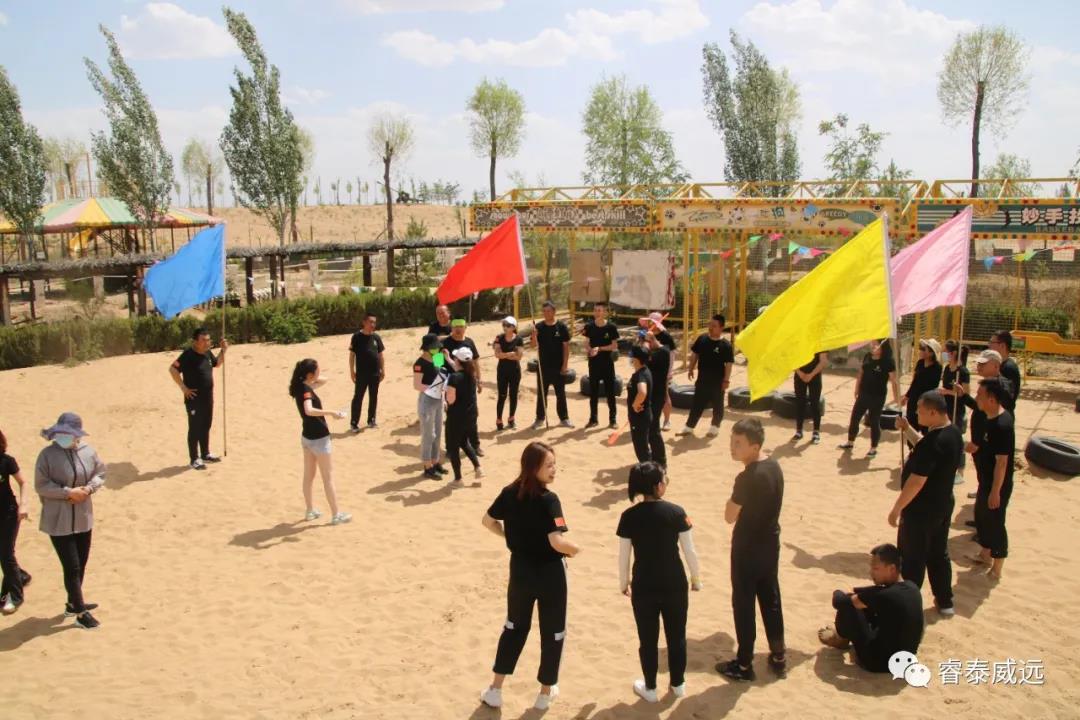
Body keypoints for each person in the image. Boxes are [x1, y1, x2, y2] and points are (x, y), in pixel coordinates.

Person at [480, 442, 581, 711]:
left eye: (554, 464)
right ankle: (545, 693)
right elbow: (557, 541)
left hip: (521, 571)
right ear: (533, 467)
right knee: (553, 631)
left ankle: (495, 689)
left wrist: (508, 537)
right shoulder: (550, 500)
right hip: (550, 574)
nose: (554, 469)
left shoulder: (509, 492)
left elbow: (487, 521)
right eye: (549, 465)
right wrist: (575, 550)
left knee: (514, 627)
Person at [617, 462, 701, 703]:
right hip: (674, 582)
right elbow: (690, 551)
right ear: (658, 486)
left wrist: (623, 582)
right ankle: (678, 684)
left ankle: (651, 687)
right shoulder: (676, 512)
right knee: (677, 636)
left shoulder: (629, 516)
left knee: (648, 639)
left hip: (644, 584)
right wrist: (696, 578)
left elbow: (624, 556)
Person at [718, 418, 786, 681]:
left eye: (738, 443)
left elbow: (729, 516)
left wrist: (731, 503)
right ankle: (778, 655)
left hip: (747, 547)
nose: (732, 447)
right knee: (771, 599)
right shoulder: (775, 467)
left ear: (754, 447)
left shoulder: (746, 477)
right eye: (732, 441)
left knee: (744, 603)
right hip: (770, 543)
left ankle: (744, 664)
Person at [890, 391, 963, 616]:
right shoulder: (952, 433)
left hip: (921, 510)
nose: (916, 414)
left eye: (920, 411)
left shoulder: (935, 442)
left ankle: (908, 606)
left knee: (913, 558)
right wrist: (908, 429)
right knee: (938, 554)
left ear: (933, 413)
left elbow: (917, 481)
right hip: (942, 504)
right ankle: (945, 601)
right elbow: (924, 445)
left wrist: (897, 508)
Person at [34, 413, 105, 630]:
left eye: (68, 433)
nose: (63, 436)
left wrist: (88, 489)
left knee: (81, 563)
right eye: (61, 432)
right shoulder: (46, 455)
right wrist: (68, 493)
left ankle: (73, 602)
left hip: (83, 518)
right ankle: (81, 613)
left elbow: (100, 473)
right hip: (59, 520)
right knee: (72, 566)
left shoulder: (88, 452)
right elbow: (41, 485)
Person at [817, 544, 924, 673]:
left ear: (891, 568)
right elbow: (871, 594)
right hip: (905, 660)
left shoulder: (885, 595)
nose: (871, 573)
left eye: (876, 569)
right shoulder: (912, 587)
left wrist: (838, 591)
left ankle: (839, 639)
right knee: (865, 604)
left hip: (878, 663)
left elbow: (838, 601)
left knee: (850, 607)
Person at [288, 359, 352, 525]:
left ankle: (310, 510)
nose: (320, 372)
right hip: (319, 439)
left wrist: (312, 376)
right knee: (327, 478)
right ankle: (336, 514)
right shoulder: (306, 390)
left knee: (308, 476)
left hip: (307, 437)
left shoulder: (300, 386)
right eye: (317, 370)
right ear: (310, 374)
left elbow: (324, 380)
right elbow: (309, 410)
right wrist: (331, 412)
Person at [970, 377, 1015, 580]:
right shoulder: (986, 417)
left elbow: (1002, 462)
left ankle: (997, 566)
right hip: (985, 480)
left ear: (991, 399)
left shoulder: (1002, 424)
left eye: (979, 395)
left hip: (998, 483)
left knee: (995, 522)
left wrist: (996, 491)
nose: (976, 398)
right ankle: (985, 554)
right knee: (981, 516)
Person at [169, 327, 228, 470]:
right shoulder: (188, 355)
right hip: (194, 398)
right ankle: (194, 459)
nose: (207, 343)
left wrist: (223, 350)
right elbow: (172, 369)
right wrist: (183, 388)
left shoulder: (207, 353)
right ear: (195, 342)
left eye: (208, 340)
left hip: (208, 397)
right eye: (204, 340)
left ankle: (205, 453)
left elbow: (217, 364)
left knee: (206, 425)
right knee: (195, 428)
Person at [840, 339, 901, 457]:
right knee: (855, 418)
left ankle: (873, 448)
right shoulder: (867, 356)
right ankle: (850, 442)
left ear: (883, 346)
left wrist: (897, 398)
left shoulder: (888, 361)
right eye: (872, 344)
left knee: (874, 421)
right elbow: (861, 373)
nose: (872, 346)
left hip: (878, 396)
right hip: (864, 394)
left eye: (876, 344)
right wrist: (857, 389)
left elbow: (894, 381)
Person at [678, 314, 733, 438]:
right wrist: (691, 368)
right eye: (710, 324)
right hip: (702, 379)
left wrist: (726, 380)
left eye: (714, 326)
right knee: (697, 403)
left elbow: (729, 364)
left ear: (721, 327)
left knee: (718, 405)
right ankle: (689, 427)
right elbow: (695, 354)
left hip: (717, 381)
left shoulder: (726, 345)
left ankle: (714, 427)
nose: (710, 327)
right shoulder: (702, 339)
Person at [1, 429, 31, 615]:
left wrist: (24, 505)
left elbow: (23, 482)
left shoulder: (6, 461)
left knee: (5, 554)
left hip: (9, 513)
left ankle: (13, 596)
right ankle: (20, 575)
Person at [443, 319, 484, 455]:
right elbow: (437, 362)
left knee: (471, 417)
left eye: (461, 326)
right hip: (451, 383)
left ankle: (475, 445)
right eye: (456, 327)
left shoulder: (469, 342)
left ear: (465, 328)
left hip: (468, 382)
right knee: (452, 418)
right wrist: (439, 379)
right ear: (451, 328)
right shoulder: (445, 343)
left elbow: (476, 362)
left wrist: (479, 379)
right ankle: (450, 448)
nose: (458, 329)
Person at [530, 301, 573, 430]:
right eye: (544, 311)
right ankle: (539, 418)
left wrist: (565, 365)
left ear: (554, 312)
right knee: (542, 394)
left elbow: (566, 347)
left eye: (548, 311)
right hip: (543, 366)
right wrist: (534, 335)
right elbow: (533, 346)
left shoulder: (561, 327)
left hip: (558, 366)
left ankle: (564, 418)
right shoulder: (539, 327)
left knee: (561, 393)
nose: (546, 313)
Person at [414, 334, 449, 479]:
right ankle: (427, 466)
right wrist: (433, 389)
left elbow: (442, 377)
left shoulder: (438, 358)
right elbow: (417, 385)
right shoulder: (419, 363)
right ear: (427, 348)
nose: (438, 349)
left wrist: (443, 396)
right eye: (435, 347)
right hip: (427, 401)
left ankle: (435, 462)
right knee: (428, 435)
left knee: (438, 433)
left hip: (439, 400)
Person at [446, 347, 483, 483]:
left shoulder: (454, 378)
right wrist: (447, 358)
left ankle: (458, 479)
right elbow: (458, 368)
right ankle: (478, 467)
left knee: (453, 448)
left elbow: (451, 400)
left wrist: (445, 396)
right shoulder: (472, 374)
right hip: (470, 416)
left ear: (458, 360)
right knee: (464, 442)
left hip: (456, 417)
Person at [581, 302, 619, 429]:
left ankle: (613, 420)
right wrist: (589, 350)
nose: (597, 313)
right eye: (595, 310)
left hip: (607, 363)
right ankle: (593, 419)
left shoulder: (611, 327)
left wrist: (600, 348)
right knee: (593, 392)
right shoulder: (589, 326)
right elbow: (586, 343)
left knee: (610, 392)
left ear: (605, 312)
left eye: (599, 310)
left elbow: (614, 345)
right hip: (593, 364)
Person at [348, 312, 385, 431]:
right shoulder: (356, 337)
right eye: (371, 322)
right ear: (364, 322)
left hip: (375, 373)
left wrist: (383, 370)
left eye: (374, 322)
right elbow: (352, 355)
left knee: (373, 397)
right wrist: (352, 371)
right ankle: (354, 423)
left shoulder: (376, 337)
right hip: (361, 374)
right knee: (358, 397)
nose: (373, 324)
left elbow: (380, 355)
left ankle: (371, 420)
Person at [941, 340, 970, 485]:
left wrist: (947, 392)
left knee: (958, 440)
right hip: (946, 408)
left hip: (957, 410)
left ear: (953, 353)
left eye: (945, 351)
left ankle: (960, 471)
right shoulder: (947, 368)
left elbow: (965, 393)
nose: (943, 354)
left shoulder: (962, 372)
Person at [901, 338, 943, 437]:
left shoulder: (937, 368)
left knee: (926, 430)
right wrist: (907, 396)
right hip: (913, 400)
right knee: (911, 428)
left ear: (931, 353)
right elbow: (914, 382)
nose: (920, 350)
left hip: (926, 402)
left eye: (924, 349)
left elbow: (933, 387)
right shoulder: (920, 363)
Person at [645, 312, 677, 431]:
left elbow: (671, 355)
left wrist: (669, 372)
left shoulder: (666, 336)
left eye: (652, 321)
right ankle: (650, 421)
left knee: (664, 395)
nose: (649, 323)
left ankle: (667, 420)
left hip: (662, 372)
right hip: (649, 369)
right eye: (649, 321)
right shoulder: (647, 333)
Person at [644, 331, 670, 467]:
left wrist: (646, 344)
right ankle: (654, 457)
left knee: (654, 429)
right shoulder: (654, 353)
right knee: (649, 429)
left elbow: (646, 357)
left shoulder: (663, 352)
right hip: (650, 395)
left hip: (657, 395)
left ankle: (661, 461)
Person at [493, 316, 524, 431]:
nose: (505, 327)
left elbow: (519, 357)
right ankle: (499, 420)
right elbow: (497, 354)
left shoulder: (519, 339)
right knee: (502, 395)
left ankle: (511, 419)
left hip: (515, 371)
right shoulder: (499, 337)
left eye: (508, 325)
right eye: (504, 325)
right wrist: (510, 354)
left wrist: (505, 355)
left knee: (513, 395)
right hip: (502, 371)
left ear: (513, 327)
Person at [626, 346, 654, 463]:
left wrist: (634, 405)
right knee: (642, 445)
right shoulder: (644, 371)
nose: (630, 359)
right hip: (643, 415)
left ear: (637, 359)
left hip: (640, 416)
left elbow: (642, 392)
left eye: (632, 356)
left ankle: (648, 469)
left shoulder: (641, 375)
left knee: (641, 447)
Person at [792, 352, 826, 444]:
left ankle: (816, 432)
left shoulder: (819, 345)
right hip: (799, 376)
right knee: (800, 403)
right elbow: (792, 359)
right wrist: (800, 373)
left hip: (815, 376)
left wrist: (811, 375)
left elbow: (823, 361)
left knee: (815, 403)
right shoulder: (798, 343)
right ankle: (799, 431)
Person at [989, 330, 1022, 411]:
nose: (989, 345)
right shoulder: (1000, 365)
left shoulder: (1008, 368)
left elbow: (1007, 400)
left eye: (992, 342)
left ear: (1002, 346)